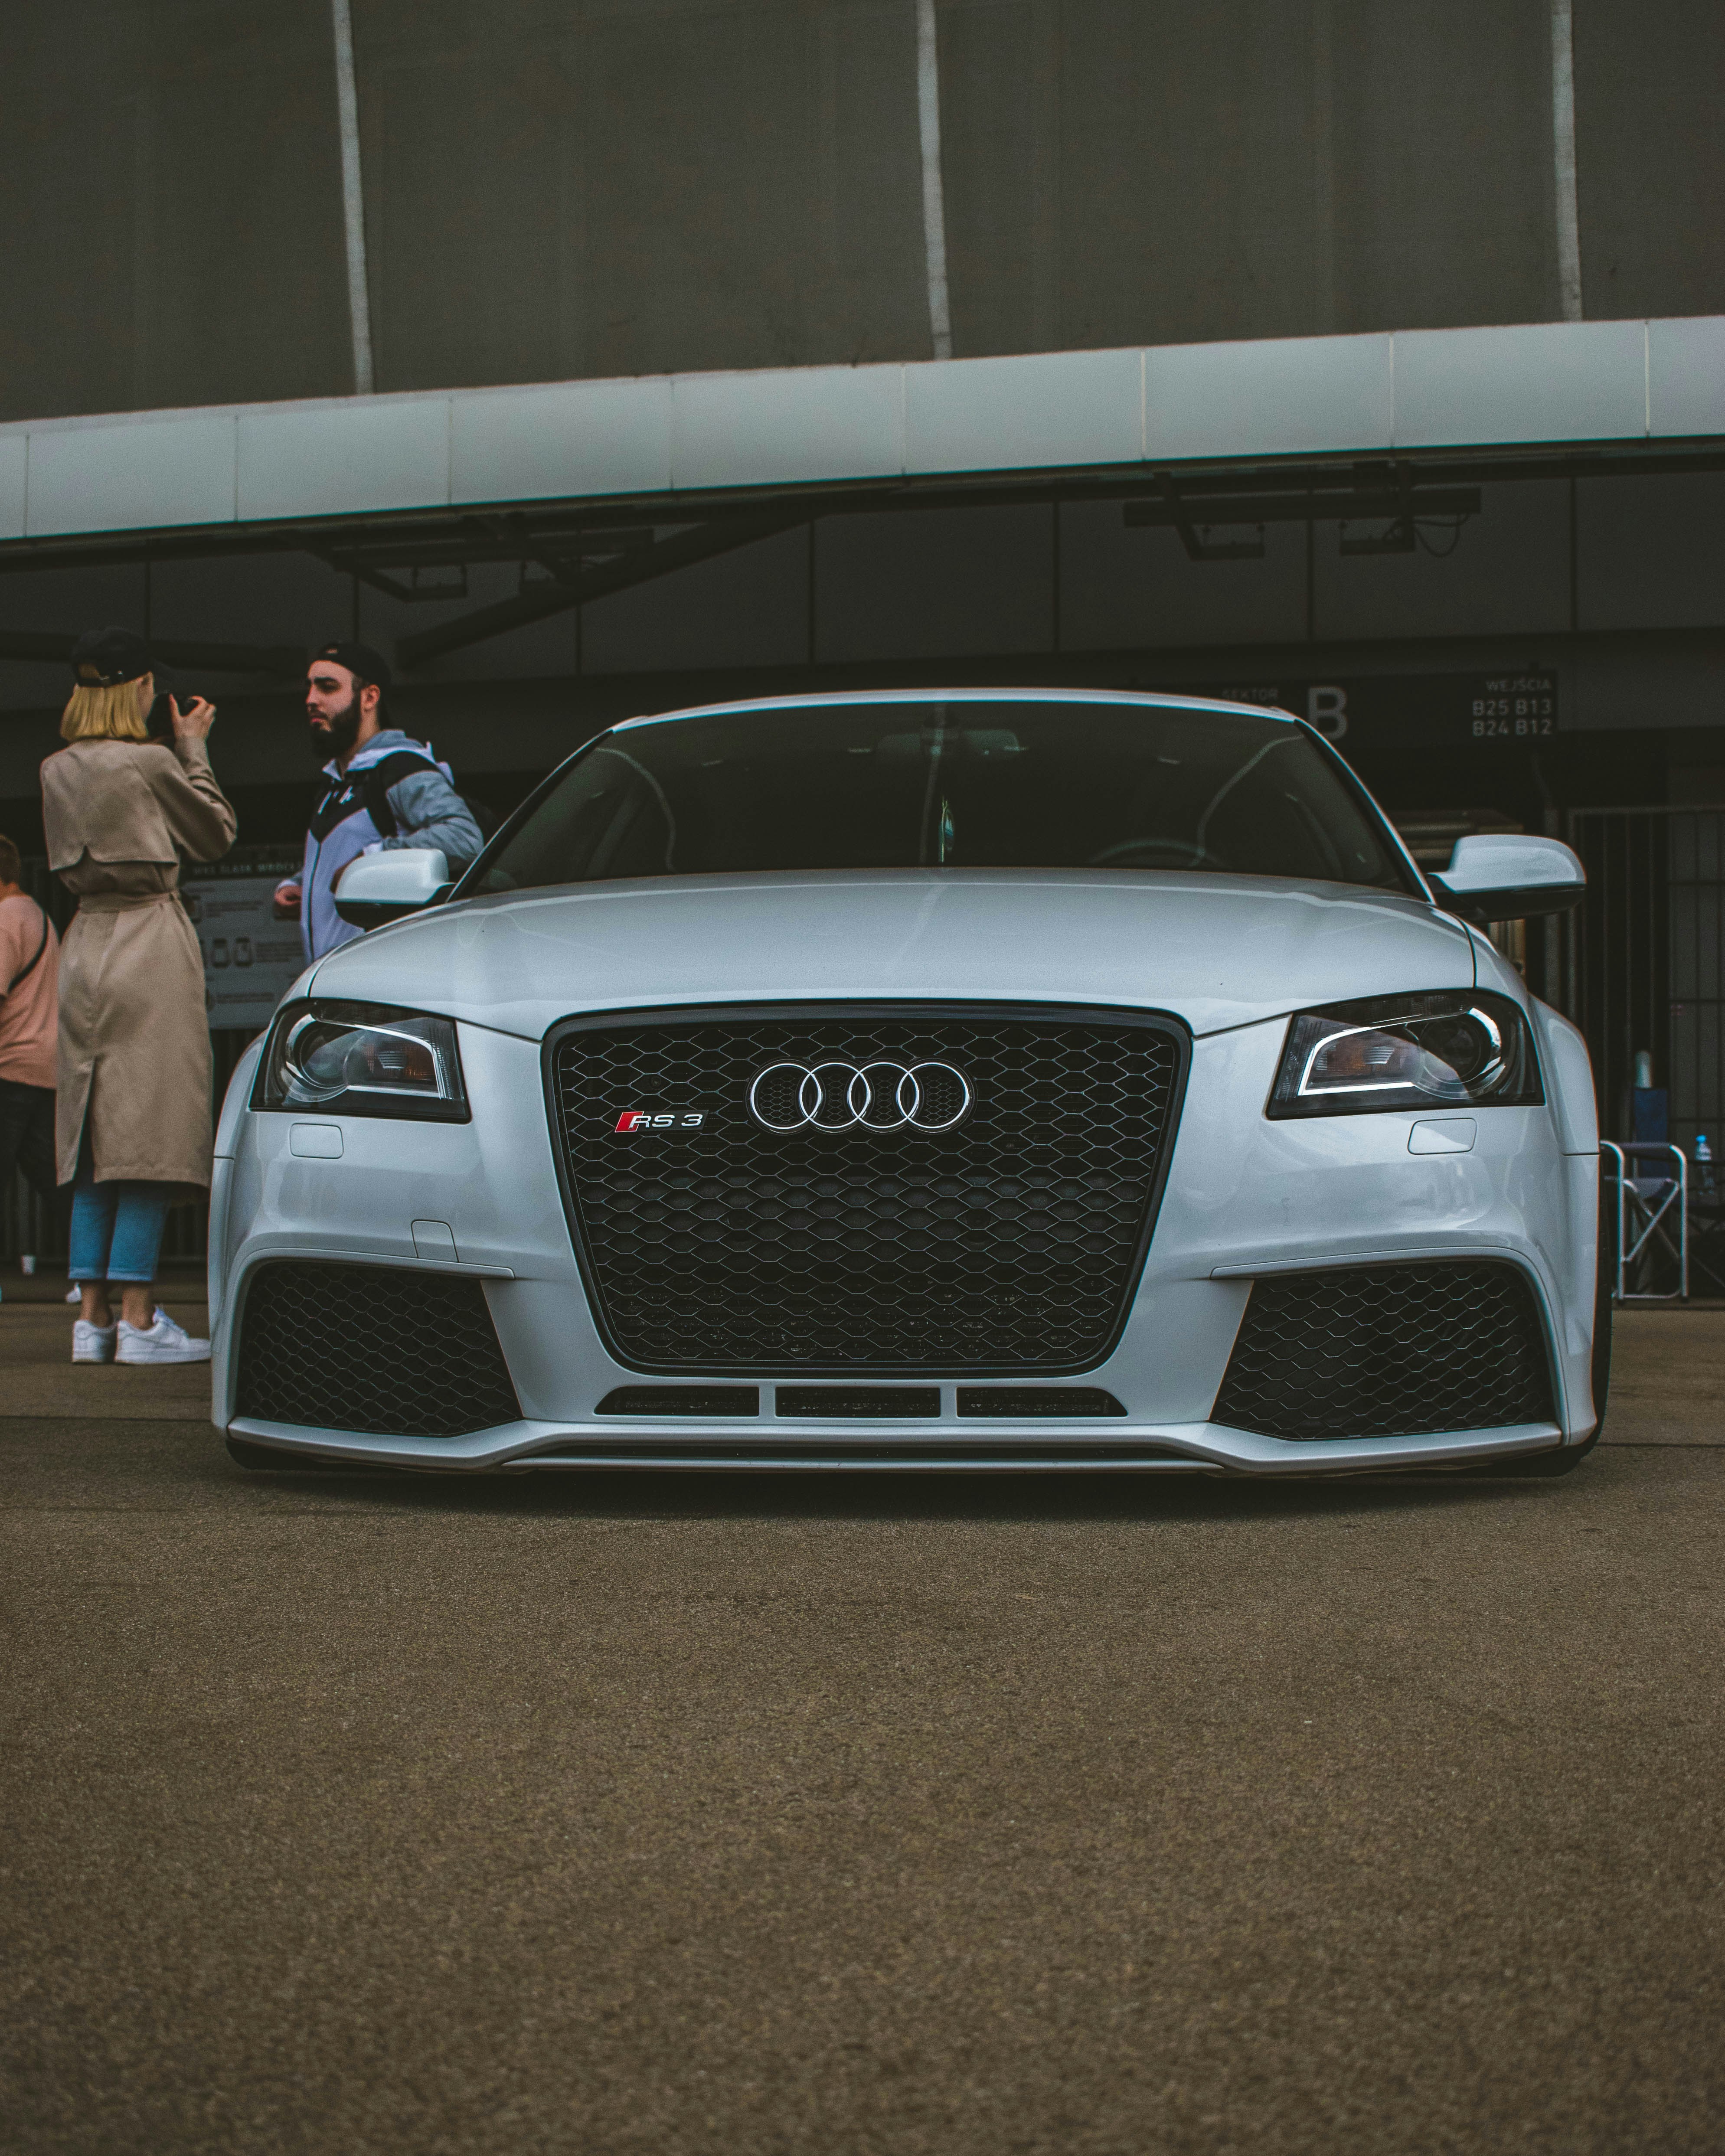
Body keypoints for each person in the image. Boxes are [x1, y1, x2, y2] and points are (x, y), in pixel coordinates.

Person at [41, 627, 236, 1366]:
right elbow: (215, 834)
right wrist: (193, 748)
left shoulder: (55, 769)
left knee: (94, 1138)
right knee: (150, 1132)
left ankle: (91, 1319)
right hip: (149, 939)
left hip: (84, 941)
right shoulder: (151, 761)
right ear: (140, 689)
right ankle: (139, 1316)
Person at [272, 642, 483, 961]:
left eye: (328, 687)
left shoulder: (400, 766)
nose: (311, 700)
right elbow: (343, 858)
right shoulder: (337, 781)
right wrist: (298, 884)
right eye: (310, 688)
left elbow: (465, 838)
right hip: (332, 977)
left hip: (377, 977)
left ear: (370, 697)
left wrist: (368, 862)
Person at [0, 834, 60, 1244]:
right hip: (46, 1067)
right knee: (50, 1175)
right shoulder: (37, 913)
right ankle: (89, 1263)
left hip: (11, 1064)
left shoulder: (5, 919)